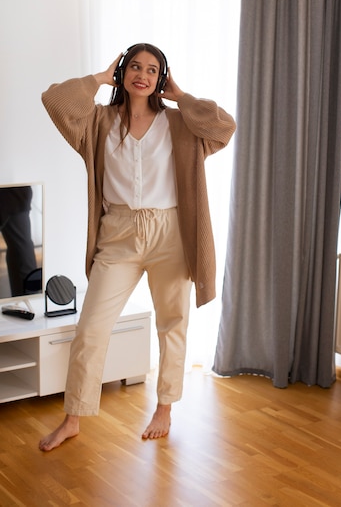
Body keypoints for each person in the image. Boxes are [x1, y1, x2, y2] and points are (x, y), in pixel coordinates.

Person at [39, 43, 236, 451]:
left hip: (171, 232)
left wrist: (181, 97)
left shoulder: (181, 124)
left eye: (152, 69)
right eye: (133, 67)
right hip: (119, 233)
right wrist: (97, 79)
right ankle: (73, 417)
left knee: (173, 324)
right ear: (122, 73)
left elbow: (224, 126)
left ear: (161, 78)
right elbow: (55, 101)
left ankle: (164, 408)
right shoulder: (97, 122)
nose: (142, 75)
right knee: (91, 328)